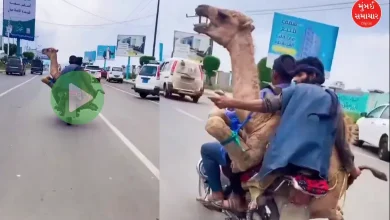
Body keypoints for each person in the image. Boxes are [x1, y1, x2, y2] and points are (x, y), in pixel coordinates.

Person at [208, 57, 360, 209]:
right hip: (315, 171)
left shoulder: (294, 91)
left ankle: (234, 199)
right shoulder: (333, 100)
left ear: (313, 76)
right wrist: (352, 168)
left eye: (300, 75)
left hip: (280, 162)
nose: (296, 79)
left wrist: (230, 102)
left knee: (238, 164)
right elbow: (341, 142)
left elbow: (266, 105)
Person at [198, 55, 297, 212]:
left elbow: (242, 116)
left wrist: (228, 109)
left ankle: (218, 195)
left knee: (208, 149)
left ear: (275, 75)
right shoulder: (297, 97)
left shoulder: (265, 95)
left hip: (256, 154)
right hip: (280, 155)